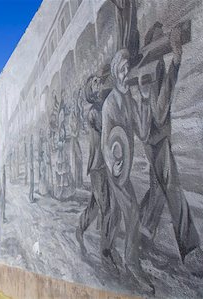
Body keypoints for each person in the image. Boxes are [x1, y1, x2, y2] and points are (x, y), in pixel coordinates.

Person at [138, 25, 203, 277]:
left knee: (158, 188)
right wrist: (176, 62)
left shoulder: (148, 68)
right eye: (161, 39)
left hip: (153, 138)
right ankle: (190, 251)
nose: (165, 42)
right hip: (156, 139)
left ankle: (144, 232)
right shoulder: (152, 69)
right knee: (173, 189)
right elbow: (159, 113)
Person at [101, 49, 153, 292]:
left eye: (127, 69)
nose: (125, 74)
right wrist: (112, 164)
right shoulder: (110, 103)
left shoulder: (131, 100)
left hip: (126, 167)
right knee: (131, 212)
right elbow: (105, 140)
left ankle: (108, 249)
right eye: (121, 70)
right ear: (115, 73)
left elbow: (142, 132)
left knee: (117, 212)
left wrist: (144, 99)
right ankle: (131, 263)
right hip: (117, 170)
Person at [76, 75, 121, 269]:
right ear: (89, 89)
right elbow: (107, 128)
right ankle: (106, 251)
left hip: (103, 165)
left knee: (95, 206)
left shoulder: (102, 106)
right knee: (108, 208)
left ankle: (80, 228)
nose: (98, 83)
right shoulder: (95, 111)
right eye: (94, 82)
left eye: (97, 80)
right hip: (99, 166)